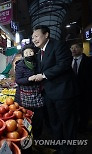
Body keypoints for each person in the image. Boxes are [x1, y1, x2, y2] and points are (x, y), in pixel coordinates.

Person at [31, 25, 79, 154]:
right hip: (49, 93)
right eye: (32, 37)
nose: (34, 39)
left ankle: (69, 149)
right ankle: (58, 147)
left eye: (36, 36)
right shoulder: (39, 53)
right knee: (55, 122)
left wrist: (43, 75)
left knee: (67, 123)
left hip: (63, 92)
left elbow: (64, 63)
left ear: (46, 34)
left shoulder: (58, 45)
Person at [15, 44, 44, 139]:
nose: (29, 54)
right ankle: (27, 137)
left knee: (38, 118)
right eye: (26, 53)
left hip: (38, 96)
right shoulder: (20, 65)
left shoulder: (39, 63)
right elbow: (18, 80)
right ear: (23, 55)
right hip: (24, 98)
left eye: (30, 52)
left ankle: (37, 137)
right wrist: (29, 79)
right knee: (26, 118)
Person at [70, 42, 92, 133]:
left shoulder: (89, 61)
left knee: (84, 110)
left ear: (82, 49)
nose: (73, 50)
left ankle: (83, 127)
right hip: (71, 91)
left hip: (85, 91)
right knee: (73, 110)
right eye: (72, 48)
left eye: (76, 47)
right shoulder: (67, 61)